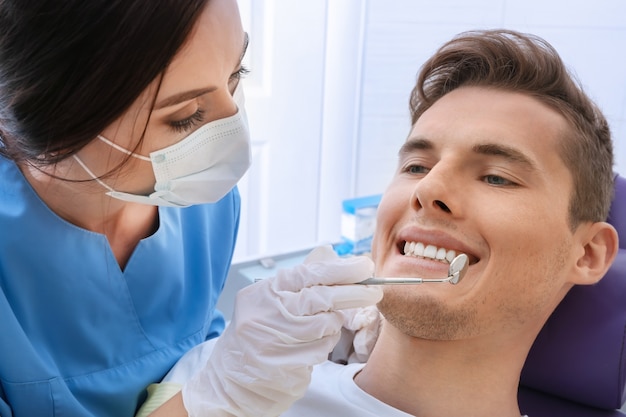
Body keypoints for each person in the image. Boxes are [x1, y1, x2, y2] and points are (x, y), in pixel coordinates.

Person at [145, 29, 620, 416]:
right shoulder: (229, 378)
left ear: (588, 253)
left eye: (496, 177)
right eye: (416, 166)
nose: (428, 189)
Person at [0, 0, 382, 416]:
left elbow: (189, 361)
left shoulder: (201, 207)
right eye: (186, 116)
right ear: (47, 115)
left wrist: (256, 356)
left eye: (236, 76)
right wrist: (220, 395)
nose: (232, 126)